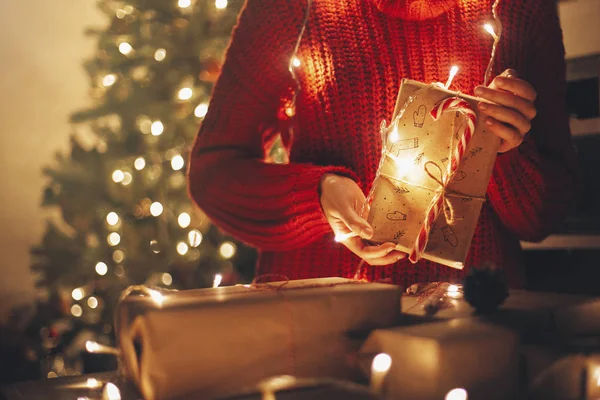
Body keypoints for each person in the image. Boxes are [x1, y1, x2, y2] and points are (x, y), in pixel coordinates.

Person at [187, 0, 577, 288]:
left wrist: (498, 151)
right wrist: (317, 196)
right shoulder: (294, 8)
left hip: (474, 328)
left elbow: (548, 216)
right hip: (319, 326)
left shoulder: (519, 10)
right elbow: (214, 173)